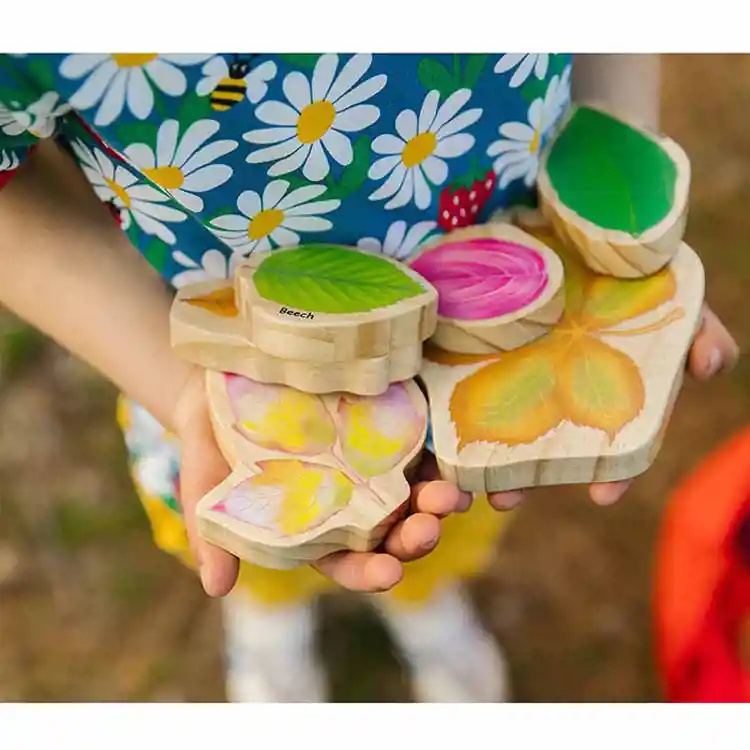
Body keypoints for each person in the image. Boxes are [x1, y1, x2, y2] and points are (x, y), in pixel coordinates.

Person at [0, 53, 738, 702]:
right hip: (239, 377)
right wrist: (183, 388)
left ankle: (423, 604)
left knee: (441, 523)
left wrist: (613, 194)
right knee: (256, 541)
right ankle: (265, 618)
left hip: (492, 349)